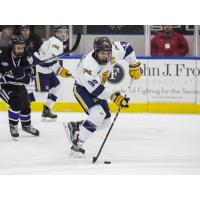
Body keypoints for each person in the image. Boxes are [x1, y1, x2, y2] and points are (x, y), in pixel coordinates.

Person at [63, 37, 142, 157]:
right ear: (95, 51)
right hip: (82, 88)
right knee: (98, 114)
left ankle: (76, 126)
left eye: (106, 53)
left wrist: (134, 64)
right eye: (101, 53)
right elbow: (96, 91)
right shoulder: (89, 65)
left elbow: (127, 47)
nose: (104, 56)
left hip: (98, 87)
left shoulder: (114, 51)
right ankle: (76, 145)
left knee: (105, 122)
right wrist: (115, 97)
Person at [0, 35, 39, 138]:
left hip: (20, 86)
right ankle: (13, 126)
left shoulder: (27, 57)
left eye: (22, 48)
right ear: (12, 47)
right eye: (18, 48)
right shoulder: (2, 54)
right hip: (4, 86)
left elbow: (31, 78)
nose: (21, 50)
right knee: (16, 102)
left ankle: (26, 126)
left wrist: (21, 76)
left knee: (25, 106)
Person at [33, 25, 70, 120]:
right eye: (61, 32)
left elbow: (51, 60)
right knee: (41, 95)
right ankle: (21, 102)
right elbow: (48, 61)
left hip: (47, 69)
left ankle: (47, 109)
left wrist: (60, 69)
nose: (64, 34)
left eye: (65, 32)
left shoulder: (57, 42)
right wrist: (60, 70)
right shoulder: (55, 43)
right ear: (56, 33)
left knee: (58, 86)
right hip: (41, 70)